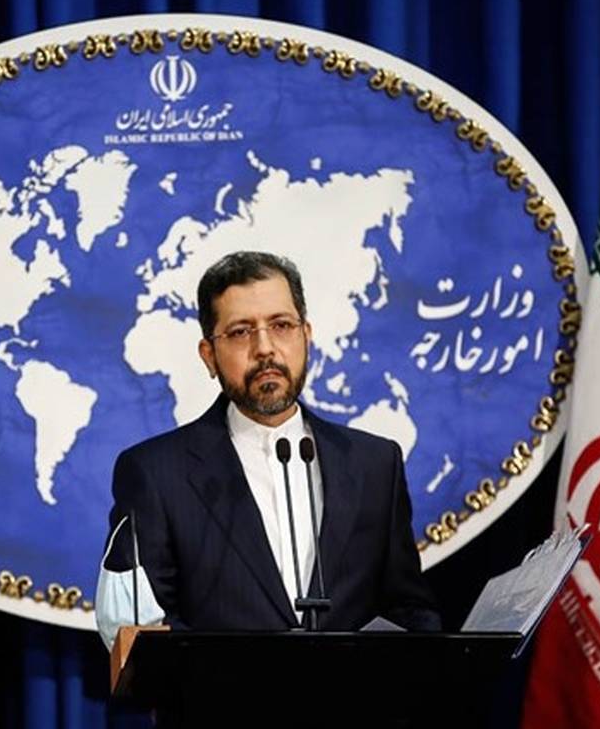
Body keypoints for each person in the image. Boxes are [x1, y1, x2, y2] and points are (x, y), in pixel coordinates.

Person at [96, 251, 439, 648]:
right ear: (209, 356)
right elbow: (147, 632)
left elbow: (408, 610)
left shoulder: (375, 464)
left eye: (281, 326)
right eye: (240, 332)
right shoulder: (155, 473)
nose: (265, 348)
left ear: (306, 335)